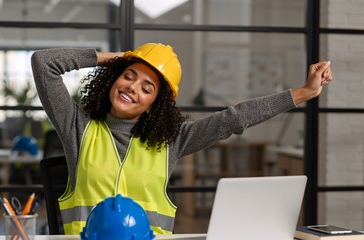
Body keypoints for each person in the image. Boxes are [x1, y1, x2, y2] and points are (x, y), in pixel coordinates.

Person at [31, 43, 332, 235]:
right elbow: (44, 63)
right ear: (114, 78)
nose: (133, 88)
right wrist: (114, 58)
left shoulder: (170, 141)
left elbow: (235, 118)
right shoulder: (78, 128)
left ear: (154, 105)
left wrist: (304, 92)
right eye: (129, 75)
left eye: (147, 88)